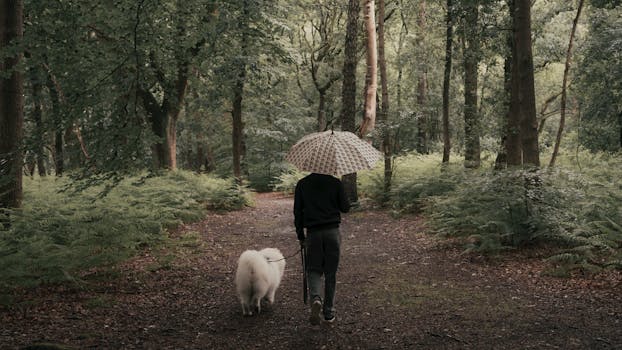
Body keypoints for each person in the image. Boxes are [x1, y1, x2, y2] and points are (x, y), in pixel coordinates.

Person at [294, 172, 350, 325]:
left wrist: (300, 235)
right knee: (330, 273)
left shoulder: (302, 184)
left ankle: (316, 299)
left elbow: (297, 212)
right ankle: (328, 312)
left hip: (313, 234)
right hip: (332, 232)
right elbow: (345, 208)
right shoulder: (335, 182)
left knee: (313, 270)